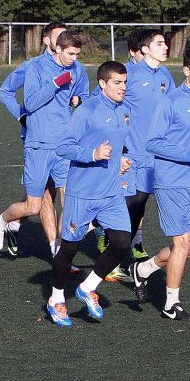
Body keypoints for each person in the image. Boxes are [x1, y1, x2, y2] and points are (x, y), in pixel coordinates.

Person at [126, 48, 190, 321]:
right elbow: (153, 142)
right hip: (170, 181)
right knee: (182, 243)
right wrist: (186, 153)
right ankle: (171, 304)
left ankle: (143, 270)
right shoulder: (170, 102)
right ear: (186, 71)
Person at [44, 61, 135, 326]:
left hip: (110, 193)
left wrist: (121, 159)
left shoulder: (124, 110)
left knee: (121, 242)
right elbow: (64, 147)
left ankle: (87, 287)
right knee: (69, 249)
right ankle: (56, 300)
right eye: (117, 83)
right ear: (103, 84)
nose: (122, 88)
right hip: (82, 194)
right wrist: (93, 155)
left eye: (125, 82)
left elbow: (118, 145)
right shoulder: (87, 110)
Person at [0, 31, 89, 258]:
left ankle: (60, 252)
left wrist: (80, 100)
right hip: (38, 145)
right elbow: (30, 103)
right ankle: (2, 219)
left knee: (69, 200)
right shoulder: (35, 67)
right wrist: (54, 84)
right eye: (71, 53)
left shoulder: (76, 68)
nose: (74, 58)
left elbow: (85, 95)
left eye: (77, 54)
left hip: (64, 144)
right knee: (33, 206)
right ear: (58, 48)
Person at [120, 29, 176, 261]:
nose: (165, 47)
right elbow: (105, 100)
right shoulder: (129, 73)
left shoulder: (165, 75)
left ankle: (121, 251)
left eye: (165, 43)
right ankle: (111, 250)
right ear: (144, 49)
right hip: (131, 152)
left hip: (155, 154)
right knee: (129, 204)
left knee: (139, 203)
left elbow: (173, 107)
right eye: (159, 43)